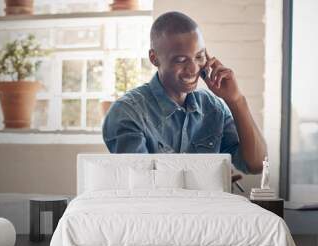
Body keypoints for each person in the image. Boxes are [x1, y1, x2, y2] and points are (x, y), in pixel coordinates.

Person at [102, 11, 267, 174]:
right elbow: (141, 184)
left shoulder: (213, 108)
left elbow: (256, 165)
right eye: (181, 60)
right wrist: (207, 182)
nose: (193, 69)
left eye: (199, 57)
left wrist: (236, 100)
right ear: (154, 58)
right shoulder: (127, 113)